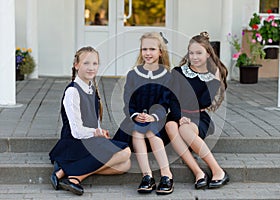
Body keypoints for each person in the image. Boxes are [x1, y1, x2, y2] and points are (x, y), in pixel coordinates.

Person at [49, 46, 131, 195]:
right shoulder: (73, 91)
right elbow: (76, 131)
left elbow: (93, 119)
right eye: (86, 63)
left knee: (125, 165)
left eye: (95, 64)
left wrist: (99, 132)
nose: (91, 68)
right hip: (74, 142)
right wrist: (97, 132)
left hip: (89, 139)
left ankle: (69, 172)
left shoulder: (91, 88)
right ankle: (74, 176)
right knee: (125, 153)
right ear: (76, 65)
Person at [165, 32, 229, 189]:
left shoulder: (210, 76)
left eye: (199, 53)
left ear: (208, 54)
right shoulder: (178, 72)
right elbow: (172, 99)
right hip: (177, 113)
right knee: (170, 126)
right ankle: (198, 172)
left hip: (197, 117)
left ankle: (218, 170)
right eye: (191, 53)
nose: (194, 57)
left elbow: (204, 102)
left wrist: (215, 80)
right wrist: (179, 117)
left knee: (185, 130)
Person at [113, 32, 174, 195]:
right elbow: (128, 101)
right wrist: (135, 115)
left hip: (156, 121)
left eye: (152, 49)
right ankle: (147, 176)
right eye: (144, 49)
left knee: (150, 128)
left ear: (160, 52)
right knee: (138, 129)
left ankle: (166, 174)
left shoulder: (167, 76)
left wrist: (153, 116)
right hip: (134, 119)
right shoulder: (133, 75)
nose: (148, 53)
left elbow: (165, 102)